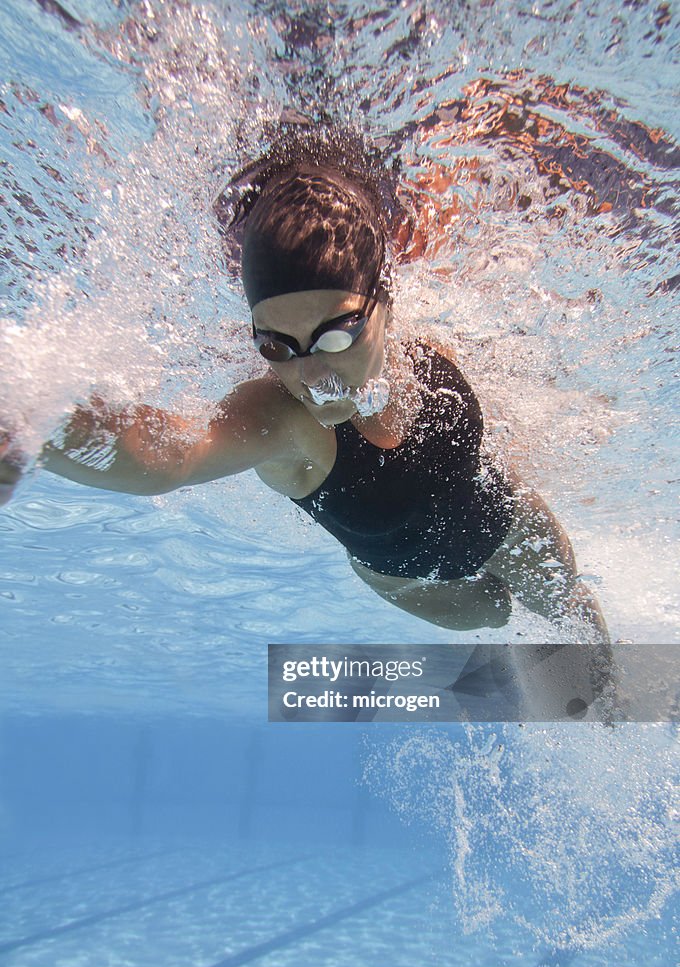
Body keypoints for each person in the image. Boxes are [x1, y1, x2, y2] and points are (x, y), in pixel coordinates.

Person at [0, 124, 607, 639]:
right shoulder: (287, 424)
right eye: (276, 346)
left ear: (387, 306)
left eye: (336, 335)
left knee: (573, 613)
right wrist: (32, 415)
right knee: (496, 618)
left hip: (509, 520)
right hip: (414, 581)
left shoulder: (429, 353)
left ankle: (610, 713)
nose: (310, 373)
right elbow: (167, 456)